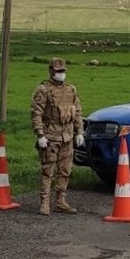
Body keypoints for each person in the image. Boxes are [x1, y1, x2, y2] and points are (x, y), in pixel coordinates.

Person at [31, 57, 84, 215]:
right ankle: (44, 202)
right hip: (50, 136)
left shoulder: (71, 90)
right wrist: (40, 134)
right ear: (51, 71)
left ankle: (61, 200)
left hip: (67, 136)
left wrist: (79, 131)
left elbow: (78, 111)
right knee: (48, 170)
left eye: (63, 71)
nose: (61, 74)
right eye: (58, 71)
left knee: (65, 170)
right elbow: (36, 113)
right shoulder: (43, 90)